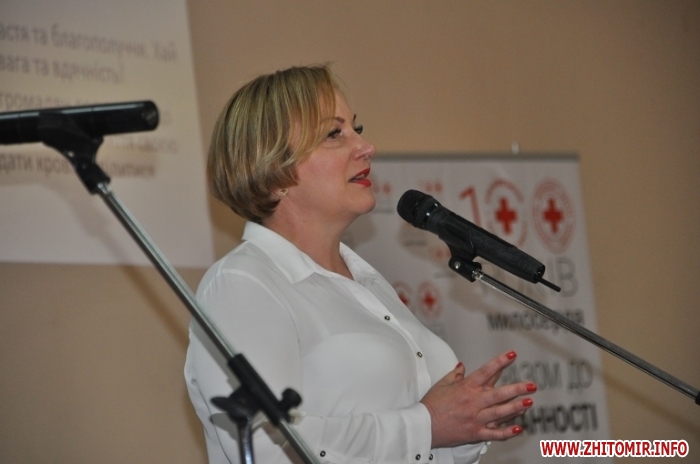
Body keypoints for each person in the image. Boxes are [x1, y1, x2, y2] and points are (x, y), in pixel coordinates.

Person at [184, 64, 537, 464]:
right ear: (273, 173)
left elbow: (424, 444)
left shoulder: (368, 283)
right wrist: (426, 425)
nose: (367, 147)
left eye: (357, 128)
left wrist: (468, 425)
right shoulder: (243, 283)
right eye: (334, 134)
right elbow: (266, 444)